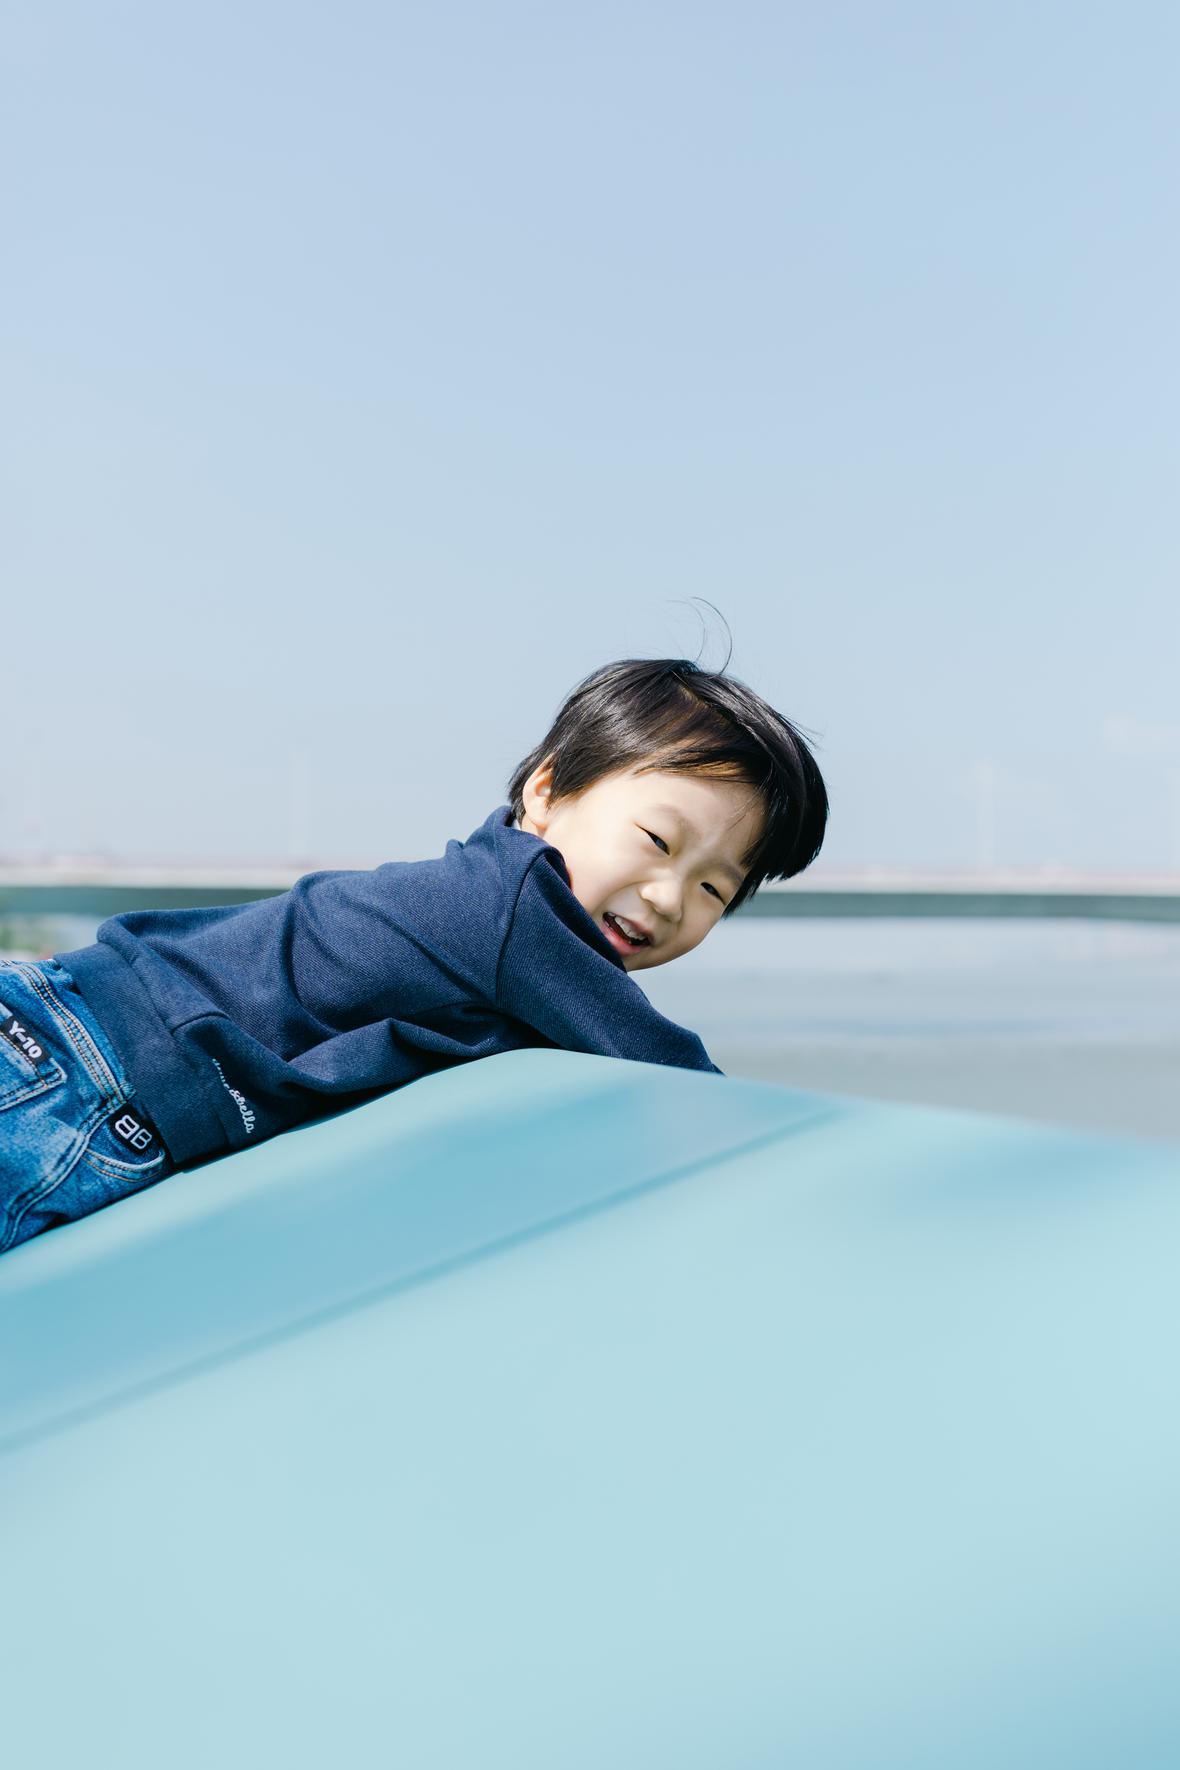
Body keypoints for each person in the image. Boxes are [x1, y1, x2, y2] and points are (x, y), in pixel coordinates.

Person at [0, 656, 828, 1253]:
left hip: (67, 1027)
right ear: (546, 791)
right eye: (657, 841)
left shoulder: (480, 899)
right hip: (86, 1077)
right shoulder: (515, 912)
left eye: (714, 888)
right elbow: (672, 1082)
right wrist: (813, 1161)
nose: (669, 897)